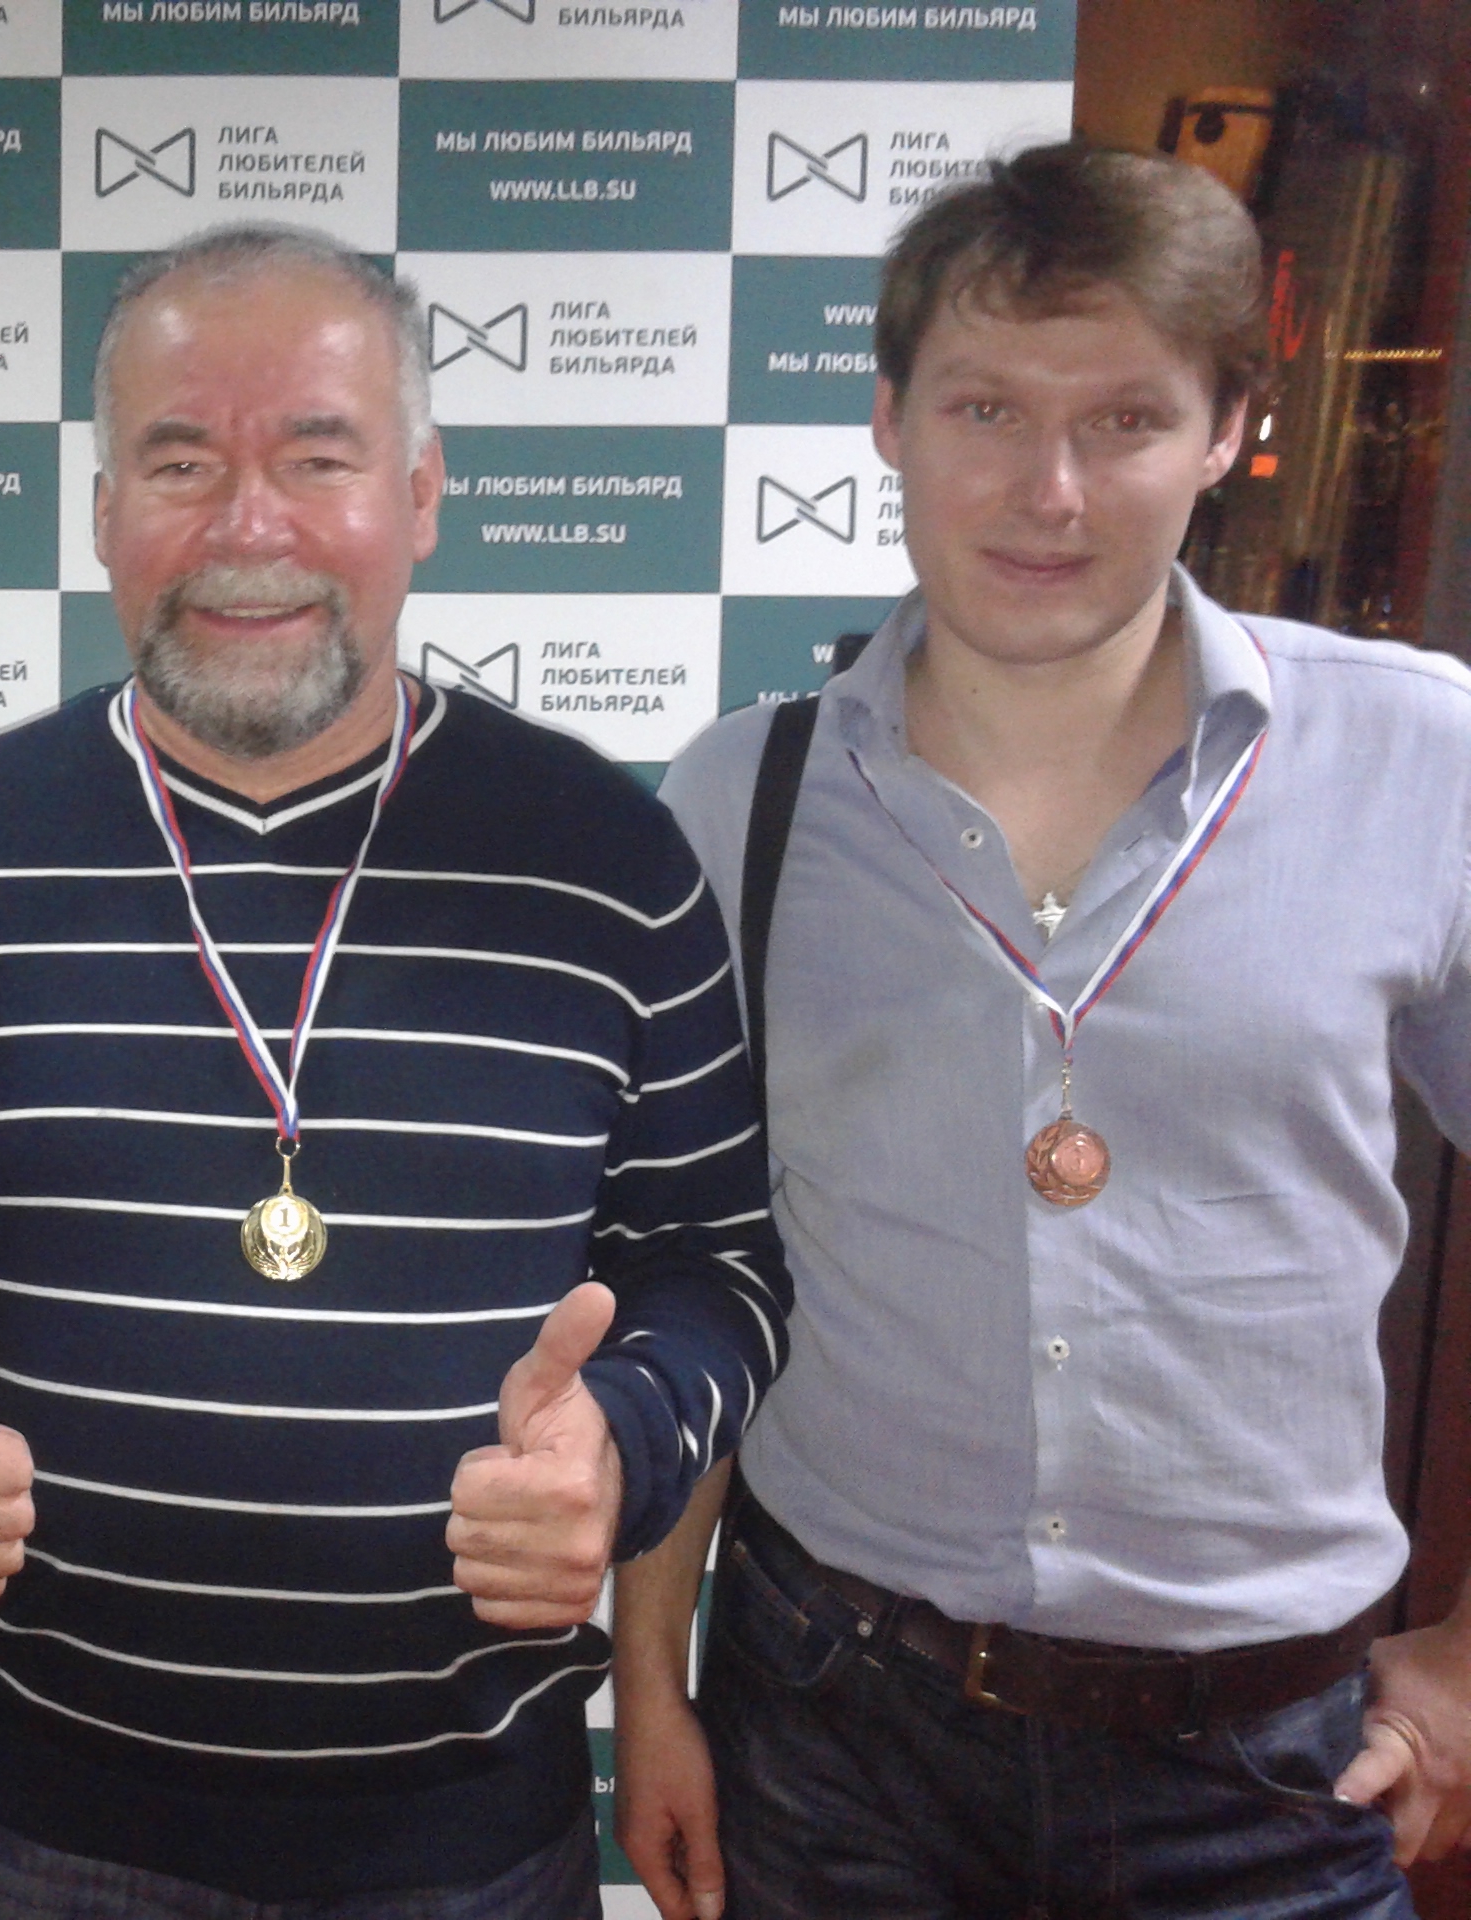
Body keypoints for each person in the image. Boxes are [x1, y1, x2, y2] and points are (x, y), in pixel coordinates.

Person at [0, 222, 792, 1918]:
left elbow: (718, 1266)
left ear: (423, 495)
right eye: (183, 464)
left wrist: (622, 1439)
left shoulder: (606, 860)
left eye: (319, 458)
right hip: (39, 1829)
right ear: (104, 513)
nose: (250, 528)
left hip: (466, 1845)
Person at [622, 141, 1471, 1920]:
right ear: (889, 418)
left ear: (1232, 429)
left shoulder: (1425, 760)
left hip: (1269, 1760)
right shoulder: (740, 798)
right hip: (832, 1729)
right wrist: (649, 1680)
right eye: (988, 409)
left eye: (1127, 421)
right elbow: (692, 1264)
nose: (1050, 491)